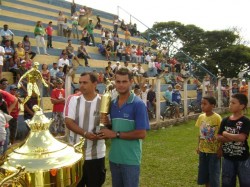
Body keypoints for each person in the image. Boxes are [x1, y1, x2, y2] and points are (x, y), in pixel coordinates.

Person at [100, 68, 150, 187]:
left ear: (131, 82)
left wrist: (115, 134)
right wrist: (107, 124)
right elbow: (113, 128)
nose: (121, 85)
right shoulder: (112, 104)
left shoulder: (138, 104)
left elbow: (141, 134)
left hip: (130, 160)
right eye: (118, 82)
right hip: (114, 158)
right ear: (114, 82)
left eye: (124, 81)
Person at [64, 72, 106, 187]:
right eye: (80, 82)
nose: (81, 85)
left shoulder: (103, 101)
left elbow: (108, 124)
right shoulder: (72, 99)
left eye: (85, 82)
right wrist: (85, 133)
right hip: (76, 154)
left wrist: (105, 128)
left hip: (97, 154)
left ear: (95, 84)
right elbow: (68, 122)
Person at [217, 93, 250, 187]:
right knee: (227, 182)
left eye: (233, 103)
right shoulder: (225, 120)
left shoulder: (245, 121)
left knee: (246, 182)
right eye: (230, 102)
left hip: (243, 159)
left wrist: (226, 134)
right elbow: (218, 137)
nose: (230, 104)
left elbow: (242, 138)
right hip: (227, 158)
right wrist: (233, 138)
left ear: (242, 106)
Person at [195, 96, 222, 187]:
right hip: (203, 150)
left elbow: (221, 135)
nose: (202, 106)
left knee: (213, 173)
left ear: (212, 105)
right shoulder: (201, 117)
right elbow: (200, 134)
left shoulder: (217, 118)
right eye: (201, 103)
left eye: (205, 104)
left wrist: (220, 149)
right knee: (204, 172)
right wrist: (198, 146)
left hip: (214, 151)